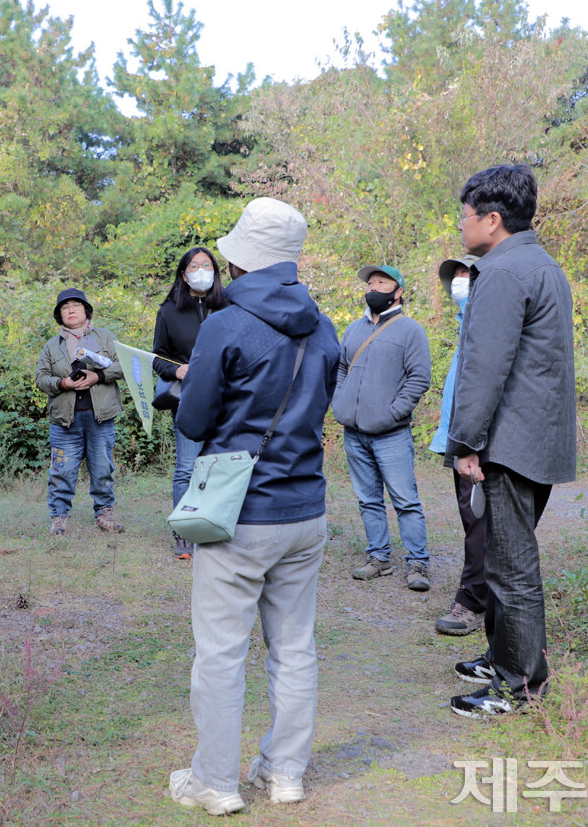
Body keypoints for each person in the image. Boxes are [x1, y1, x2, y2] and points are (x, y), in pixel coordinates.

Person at [167, 197, 341, 815]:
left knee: (221, 651)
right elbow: (321, 404)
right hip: (305, 508)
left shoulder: (224, 325)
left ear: (240, 258)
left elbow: (192, 418)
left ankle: (215, 781)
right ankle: (285, 773)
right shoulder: (324, 326)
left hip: (239, 514)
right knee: (295, 647)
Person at [446, 164, 576, 718]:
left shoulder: (500, 273)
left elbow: (484, 368)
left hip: (510, 440)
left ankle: (517, 686)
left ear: (492, 220)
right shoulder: (542, 264)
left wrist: (466, 441)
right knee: (504, 554)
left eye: (467, 214)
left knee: (511, 565)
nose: (461, 223)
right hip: (538, 437)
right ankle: (503, 656)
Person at [333, 264, 433, 592]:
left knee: (405, 500)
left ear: (398, 291)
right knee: (368, 499)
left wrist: (394, 413)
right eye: (371, 283)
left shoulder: (410, 330)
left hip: (390, 433)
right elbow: (343, 367)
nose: (374, 288)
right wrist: (341, 401)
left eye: (382, 283)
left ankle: (418, 563)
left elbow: (419, 378)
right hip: (354, 431)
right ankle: (379, 557)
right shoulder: (354, 329)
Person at [152, 246, 229, 560]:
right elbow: (157, 357)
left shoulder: (229, 306)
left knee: (222, 466)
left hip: (227, 399)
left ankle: (216, 527)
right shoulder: (169, 311)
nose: (201, 271)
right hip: (188, 399)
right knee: (186, 467)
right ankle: (184, 534)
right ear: (183, 274)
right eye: (194, 266)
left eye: (207, 265)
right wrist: (176, 369)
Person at [35, 288, 126, 536]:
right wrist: (63, 383)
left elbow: (124, 366)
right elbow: (41, 379)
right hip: (65, 422)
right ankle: (59, 519)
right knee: (61, 471)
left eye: (76, 305)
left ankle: (105, 513)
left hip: (101, 418)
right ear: (59, 315)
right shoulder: (52, 346)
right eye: (65, 307)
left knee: (102, 468)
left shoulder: (105, 337)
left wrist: (98, 376)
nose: (71, 310)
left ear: (86, 310)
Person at [429, 257, 487, 635]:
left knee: (480, 520)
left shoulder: (485, 326)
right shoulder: (465, 326)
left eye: (468, 274)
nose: (460, 281)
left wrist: (473, 443)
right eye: (457, 275)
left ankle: (472, 600)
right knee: (473, 520)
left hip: (476, 444)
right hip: (461, 438)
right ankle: (482, 594)